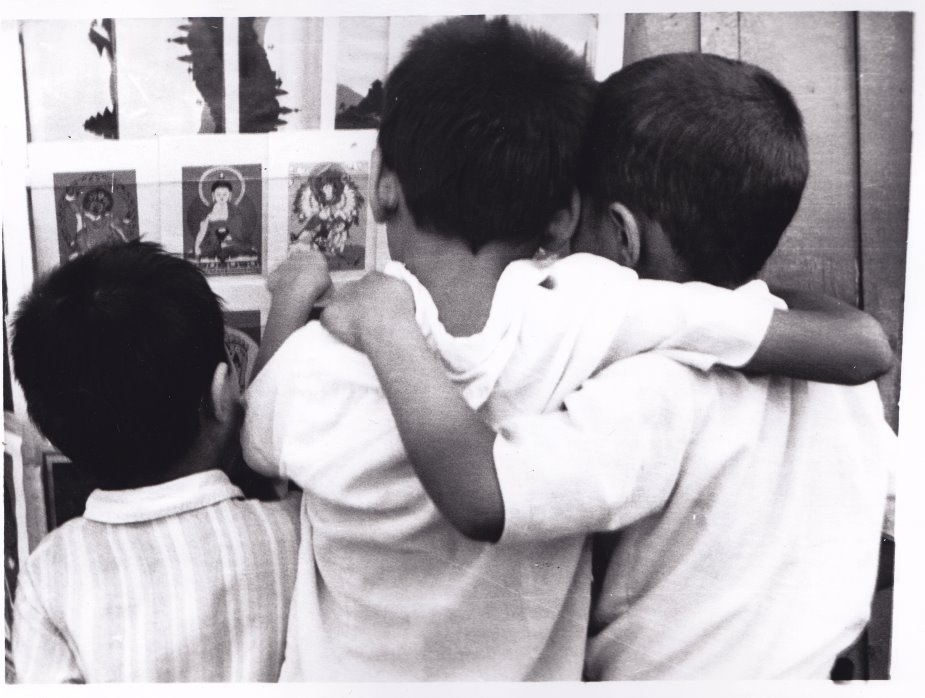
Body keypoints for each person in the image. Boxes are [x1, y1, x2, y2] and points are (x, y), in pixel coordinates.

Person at [243, 19, 890, 680]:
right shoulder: (601, 314)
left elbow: (466, 493)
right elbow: (860, 350)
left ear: (380, 183)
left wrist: (337, 312)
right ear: (553, 216)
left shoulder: (637, 386)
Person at [9, 241, 319, 682]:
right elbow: (261, 431)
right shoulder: (296, 531)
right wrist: (291, 301)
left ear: (48, 430)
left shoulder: (52, 572)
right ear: (221, 393)